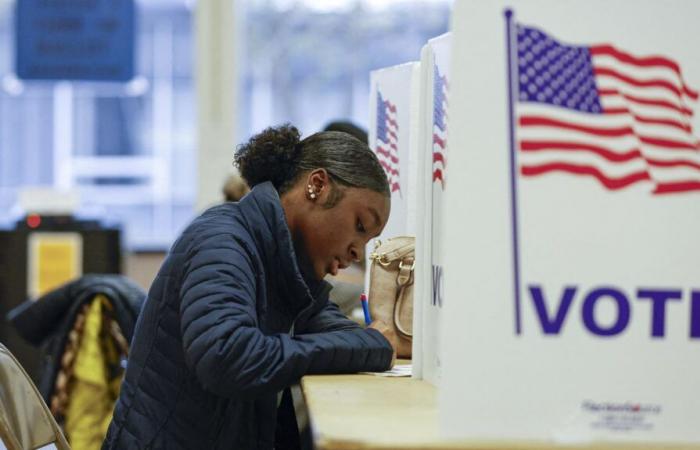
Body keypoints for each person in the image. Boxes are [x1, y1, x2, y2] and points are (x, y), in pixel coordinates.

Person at [102, 124, 397, 449]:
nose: (359, 251)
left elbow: (340, 332)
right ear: (317, 186)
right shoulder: (223, 240)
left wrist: (373, 345)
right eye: (359, 226)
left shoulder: (286, 265)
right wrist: (371, 346)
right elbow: (226, 356)